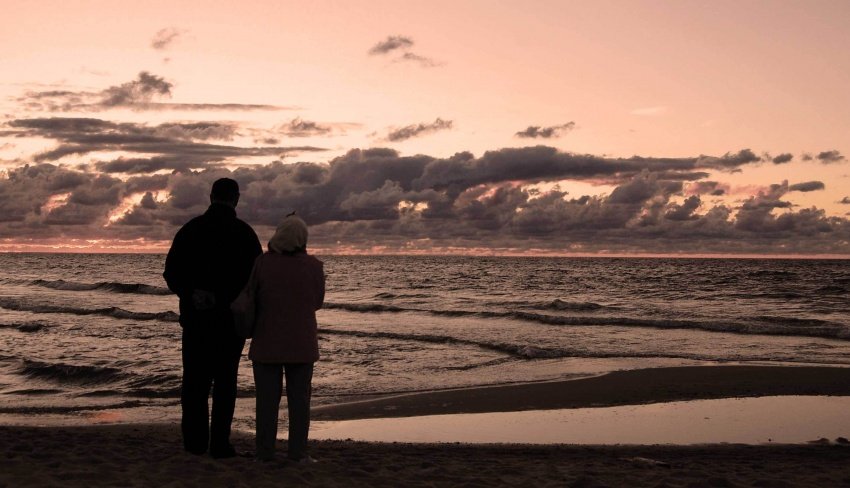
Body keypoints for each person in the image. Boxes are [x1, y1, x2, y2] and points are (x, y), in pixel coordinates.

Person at [163, 178, 262, 458]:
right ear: (236, 199)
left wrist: (191, 293)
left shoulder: (190, 229)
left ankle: (195, 443)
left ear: (211, 197)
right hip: (230, 321)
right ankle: (219, 444)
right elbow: (254, 280)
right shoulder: (245, 234)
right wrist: (224, 298)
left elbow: (171, 272)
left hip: (196, 319)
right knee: (225, 383)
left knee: (194, 382)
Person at [245, 214, 324, 463]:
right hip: (301, 343)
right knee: (299, 402)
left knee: (266, 402)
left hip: (266, 341)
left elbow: (251, 296)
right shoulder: (314, 266)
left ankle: (264, 452)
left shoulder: (262, 263)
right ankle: (297, 452)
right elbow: (317, 302)